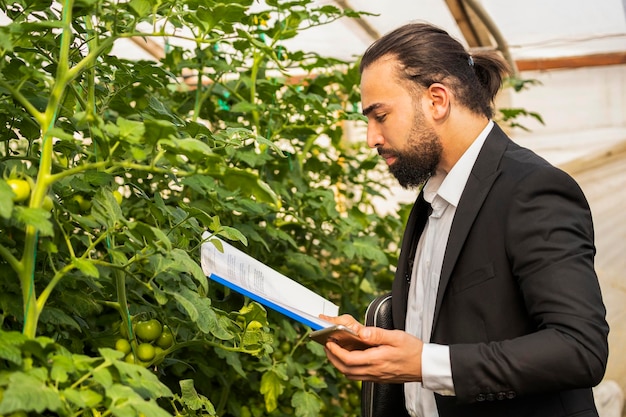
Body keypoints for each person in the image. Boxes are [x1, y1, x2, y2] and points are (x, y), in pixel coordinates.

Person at [321, 22, 610, 417]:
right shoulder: (430, 200)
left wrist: (424, 363)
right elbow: (448, 330)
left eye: (381, 115)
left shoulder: (533, 190)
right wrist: (380, 347)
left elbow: (580, 349)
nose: (371, 136)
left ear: (436, 100)